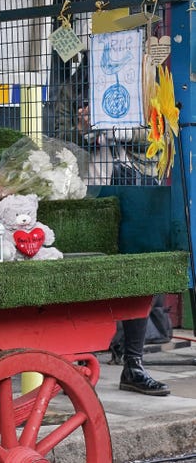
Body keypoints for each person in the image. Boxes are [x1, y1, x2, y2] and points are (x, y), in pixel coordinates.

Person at [54, 59, 170, 397]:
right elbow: (58, 132)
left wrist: (118, 130)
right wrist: (82, 129)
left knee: (140, 269)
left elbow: (161, 132)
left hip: (141, 184)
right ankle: (72, 360)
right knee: (83, 269)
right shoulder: (76, 85)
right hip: (91, 186)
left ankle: (134, 364)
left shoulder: (150, 80)